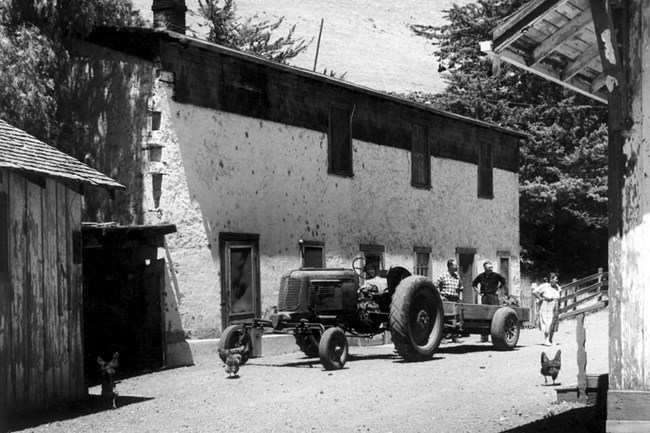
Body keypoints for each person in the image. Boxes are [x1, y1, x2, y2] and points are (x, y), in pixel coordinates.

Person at [472, 260, 507, 342]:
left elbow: (503, 281)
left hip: (493, 297)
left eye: (491, 267)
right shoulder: (480, 276)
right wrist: (478, 292)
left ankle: (497, 337)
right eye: (489, 268)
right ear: (484, 268)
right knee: (484, 316)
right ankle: (484, 337)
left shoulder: (496, 276)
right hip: (485, 297)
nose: (490, 269)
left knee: (495, 316)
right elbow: (474, 284)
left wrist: (498, 289)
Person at [532, 272, 561, 346]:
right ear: (550, 279)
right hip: (547, 305)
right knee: (547, 322)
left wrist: (559, 306)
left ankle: (551, 340)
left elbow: (559, 296)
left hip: (555, 305)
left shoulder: (557, 287)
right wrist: (540, 298)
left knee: (553, 323)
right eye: (555, 278)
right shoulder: (545, 286)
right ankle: (546, 340)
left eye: (556, 278)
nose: (556, 280)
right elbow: (534, 291)